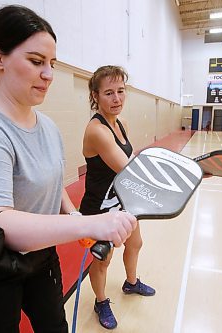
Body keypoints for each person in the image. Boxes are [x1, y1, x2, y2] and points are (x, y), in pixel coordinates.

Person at [0, 6, 137, 333]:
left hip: (39, 256)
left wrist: (73, 215)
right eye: (36, 61)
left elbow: (52, 183)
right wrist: (89, 223)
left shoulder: (46, 127)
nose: (48, 74)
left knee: (54, 326)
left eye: (52, 64)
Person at [79, 66, 155, 330]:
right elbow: (129, 170)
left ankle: (131, 283)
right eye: (109, 93)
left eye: (121, 91)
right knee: (103, 260)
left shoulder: (119, 123)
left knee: (135, 243)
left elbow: (131, 158)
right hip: (99, 208)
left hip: (122, 201)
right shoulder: (97, 130)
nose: (117, 99)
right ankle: (101, 301)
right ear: (95, 96)